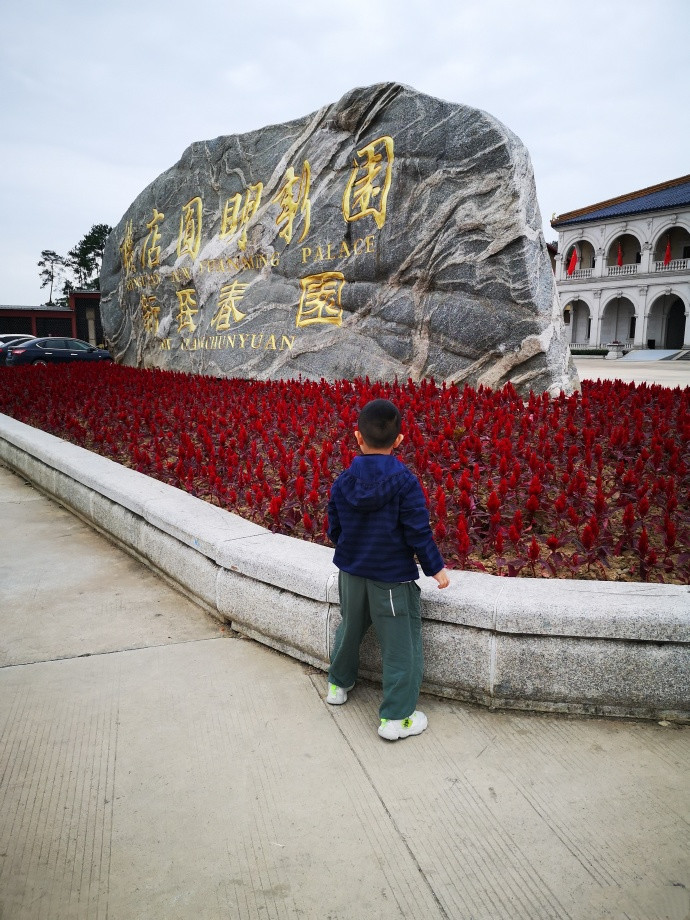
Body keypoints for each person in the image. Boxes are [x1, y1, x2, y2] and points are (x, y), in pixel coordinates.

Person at [325, 398, 450, 741]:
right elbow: (417, 531)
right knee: (400, 646)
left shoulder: (343, 482)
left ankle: (338, 684)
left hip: (351, 574)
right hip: (392, 581)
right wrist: (435, 568)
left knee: (349, 628)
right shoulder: (406, 483)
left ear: (357, 437)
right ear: (399, 440)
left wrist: (351, 549)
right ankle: (397, 719)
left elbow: (334, 527)